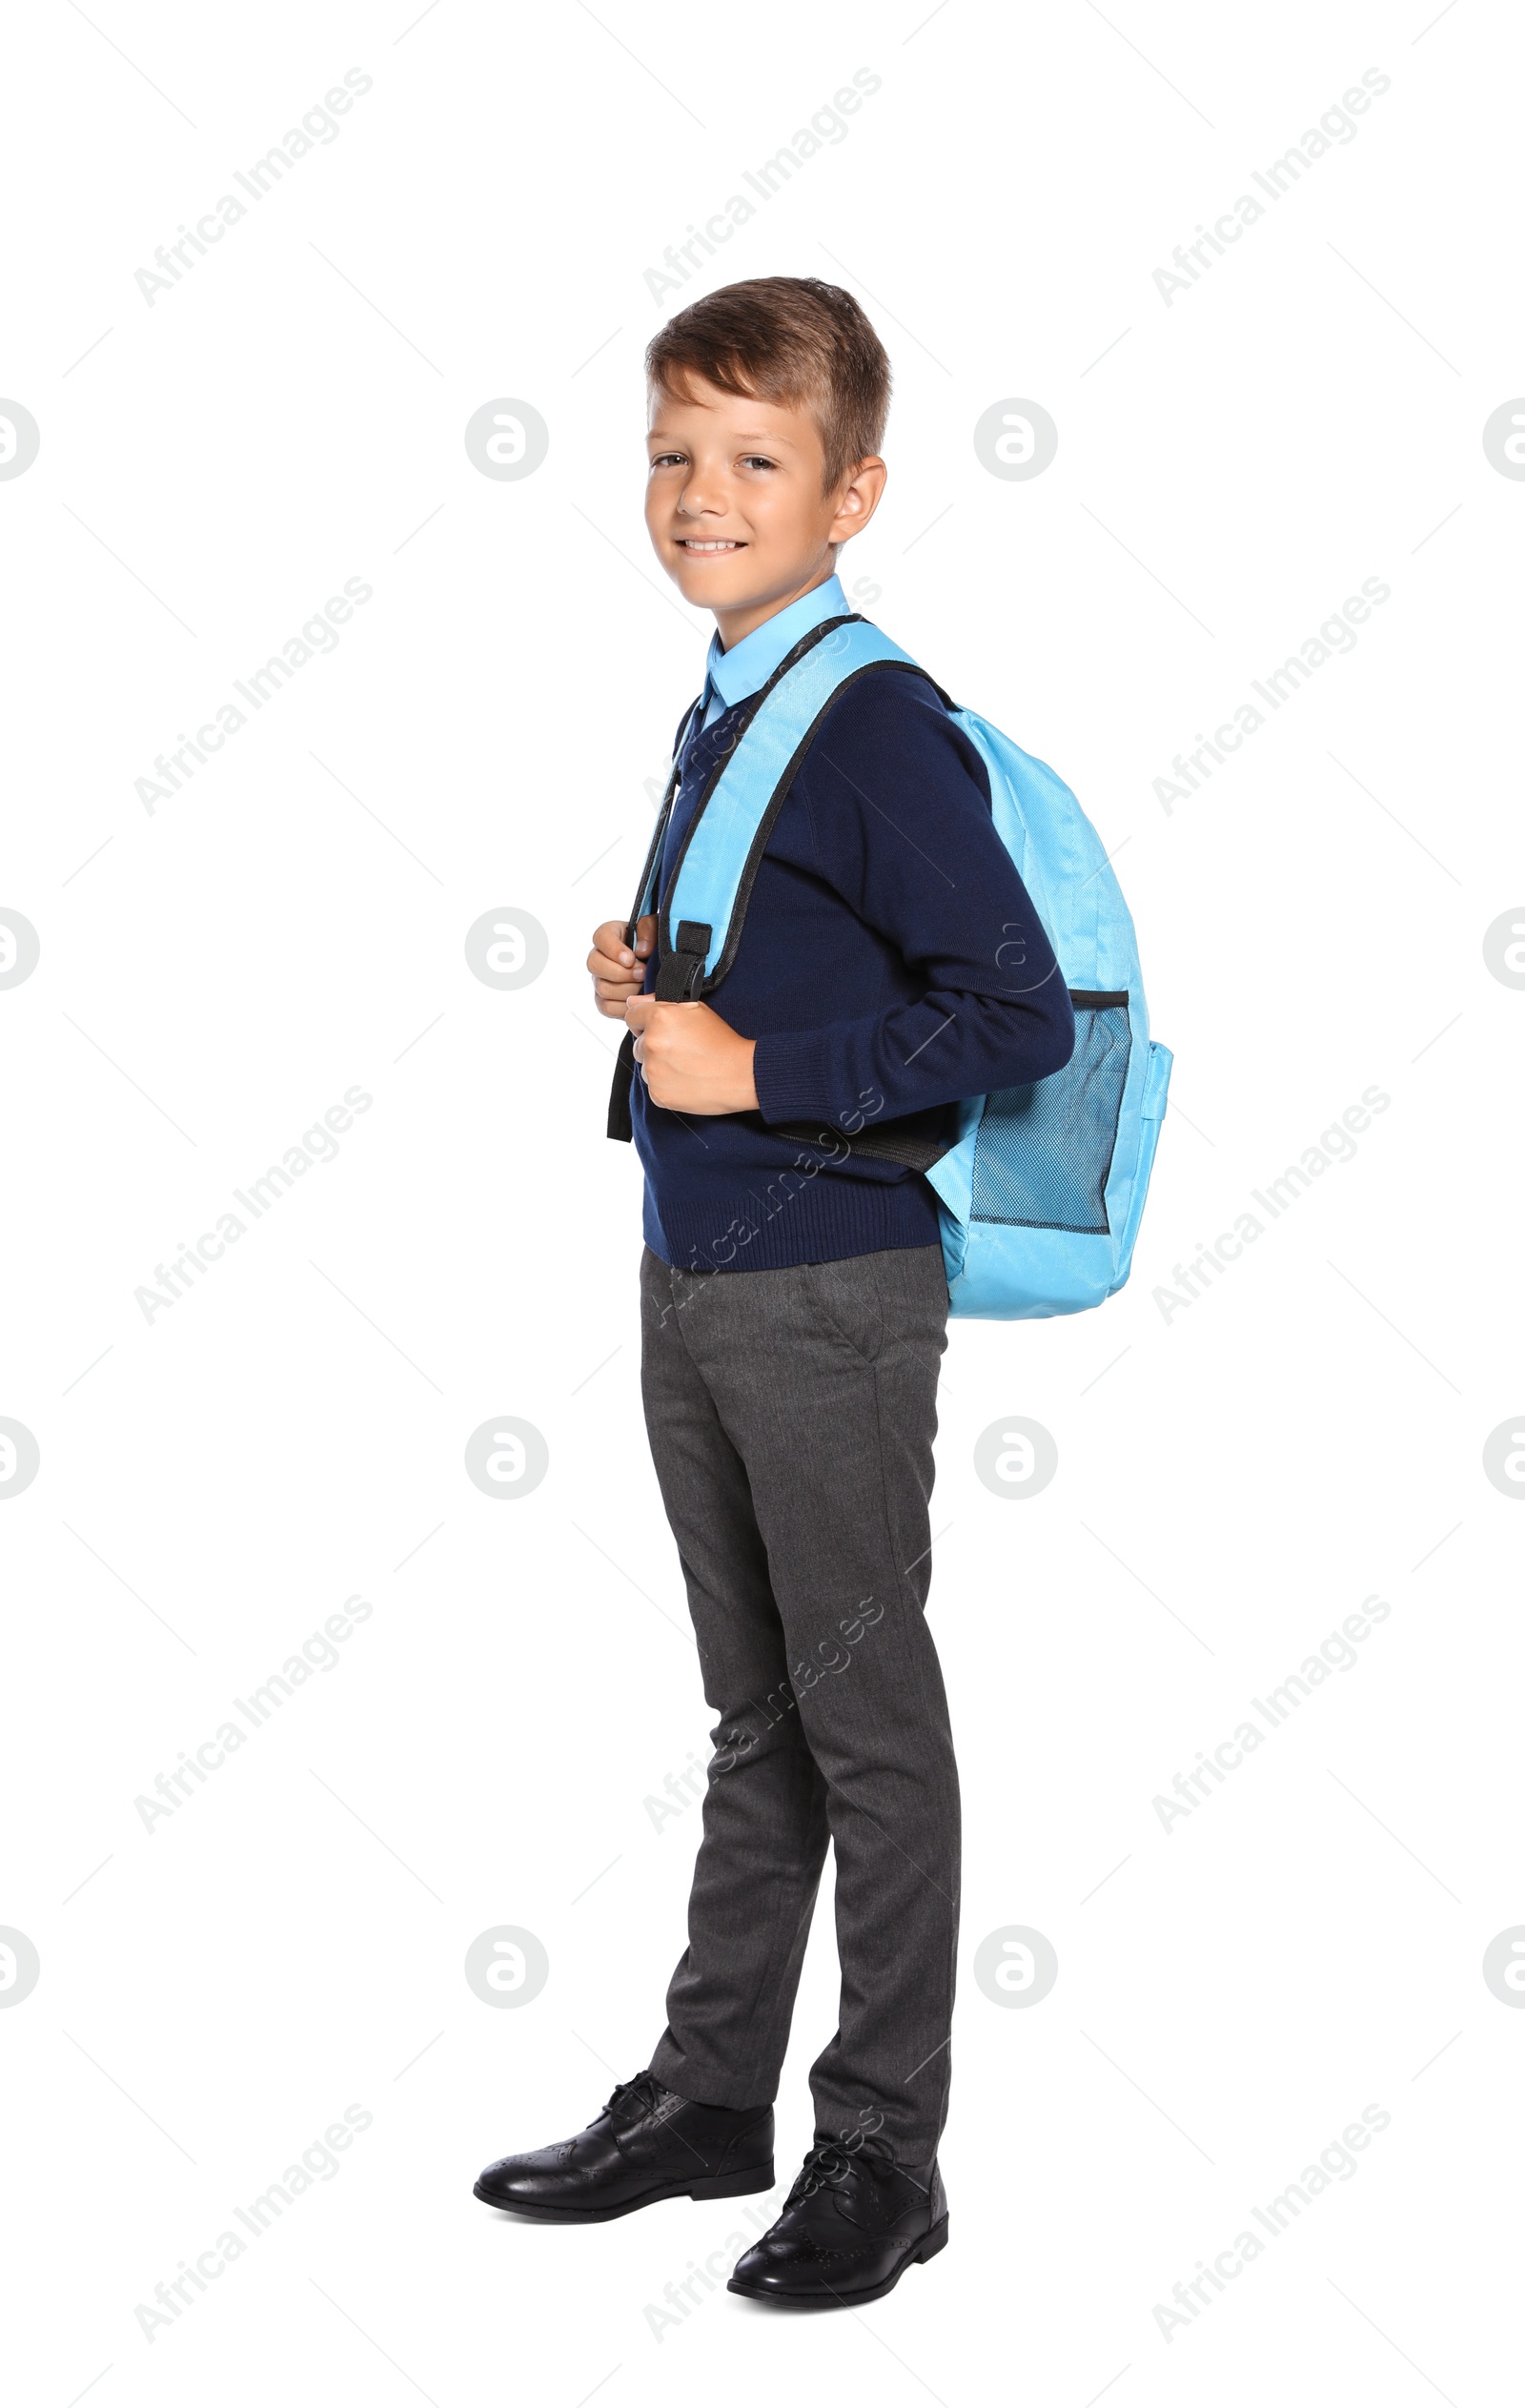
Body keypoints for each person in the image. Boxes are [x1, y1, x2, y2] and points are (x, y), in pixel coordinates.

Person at [475, 276, 1074, 2307]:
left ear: (852, 491)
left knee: (864, 1726)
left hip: (826, 1289)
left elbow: (1006, 1010)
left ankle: (881, 2156)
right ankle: (710, 2094)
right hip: (695, 1274)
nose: (699, 493)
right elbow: (808, 953)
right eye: (672, 453)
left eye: (752, 459)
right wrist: (663, 984)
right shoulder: (733, 690)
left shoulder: (867, 715)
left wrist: (756, 1069)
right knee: (759, 1721)